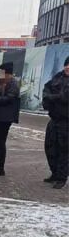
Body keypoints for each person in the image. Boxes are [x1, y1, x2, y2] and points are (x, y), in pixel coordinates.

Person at [42, 55, 69, 189]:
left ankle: (61, 177)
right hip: (54, 119)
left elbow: (65, 97)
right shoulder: (57, 77)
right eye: (66, 64)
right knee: (50, 147)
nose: (68, 67)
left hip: (66, 121)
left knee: (64, 149)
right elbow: (46, 93)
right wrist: (53, 98)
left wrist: (55, 97)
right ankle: (54, 173)